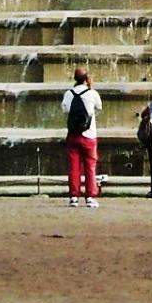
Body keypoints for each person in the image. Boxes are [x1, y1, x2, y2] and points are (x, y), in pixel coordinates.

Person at [61, 67, 103, 208]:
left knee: (74, 167)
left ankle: (74, 197)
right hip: (89, 135)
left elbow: (65, 109)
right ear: (86, 78)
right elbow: (99, 107)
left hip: (73, 135)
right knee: (90, 167)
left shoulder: (69, 93)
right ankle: (90, 197)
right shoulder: (92, 93)